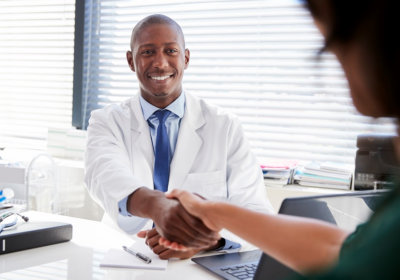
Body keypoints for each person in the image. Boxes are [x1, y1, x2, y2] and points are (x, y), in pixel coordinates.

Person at [160, 0, 400, 278]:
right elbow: (339, 247)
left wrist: (213, 230)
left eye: (332, 38)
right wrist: (212, 212)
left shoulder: (225, 123)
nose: (332, 54)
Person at [84, 14, 273, 260]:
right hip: (126, 257)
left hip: (200, 264)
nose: (160, 63)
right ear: (131, 61)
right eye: (148, 52)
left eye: (170, 51)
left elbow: (256, 211)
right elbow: (104, 175)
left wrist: (205, 240)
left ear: (186, 58)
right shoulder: (107, 121)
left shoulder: (225, 126)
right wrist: (159, 207)